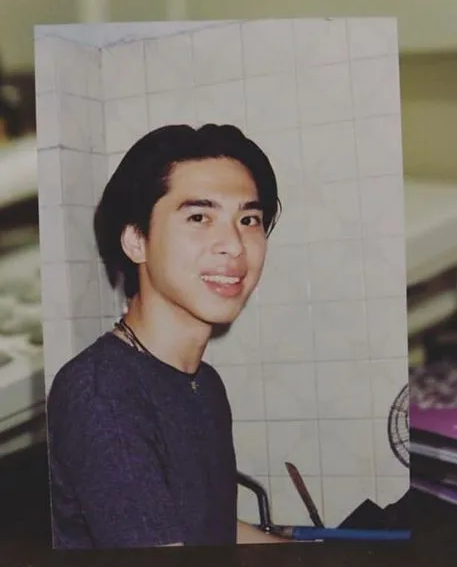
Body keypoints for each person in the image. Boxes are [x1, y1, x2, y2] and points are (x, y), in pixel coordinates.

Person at [46, 123, 287, 549]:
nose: (234, 245)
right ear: (136, 241)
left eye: (248, 219)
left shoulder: (203, 384)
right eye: (199, 218)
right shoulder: (101, 393)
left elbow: (211, 528)